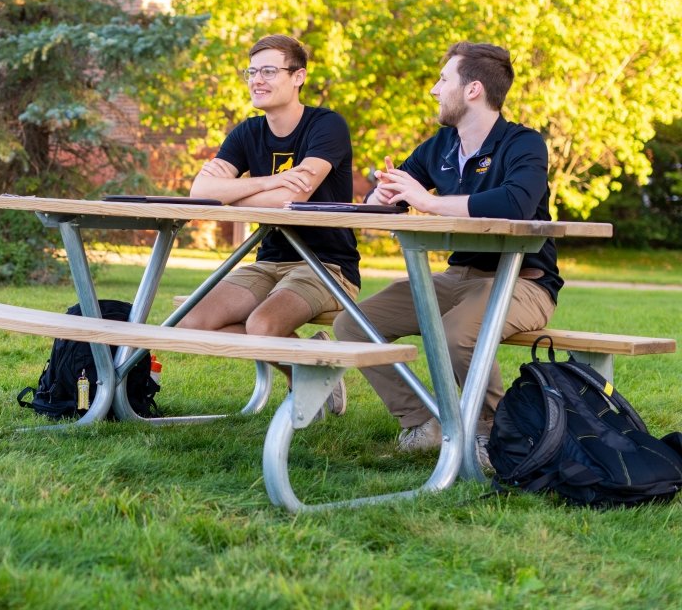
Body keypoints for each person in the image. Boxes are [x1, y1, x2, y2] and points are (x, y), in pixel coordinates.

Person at [332, 41, 560, 467]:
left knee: (458, 335)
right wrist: (383, 195)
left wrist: (430, 202)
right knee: (353, 324)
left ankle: (492, 434)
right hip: (455, 279)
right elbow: (397, 193)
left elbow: (515, 204)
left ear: (473, 89)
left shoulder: (524, 144)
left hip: (523, 282)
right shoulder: (440, 146)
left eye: (442, 80)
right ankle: (422, 424)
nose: (435, 90)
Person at [180, 34, 361, 418]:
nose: (256, 80)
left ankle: (305, 368)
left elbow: (297, 195)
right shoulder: (248, 132)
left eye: (268, 71)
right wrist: (267, 181)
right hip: (269, 261)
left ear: (298, 77)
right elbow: (201, 191)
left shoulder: (326, 125)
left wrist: (232, 191)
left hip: (325, 266)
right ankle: (310, 365)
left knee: (261, 325)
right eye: (251, 72)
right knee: (189, 321)